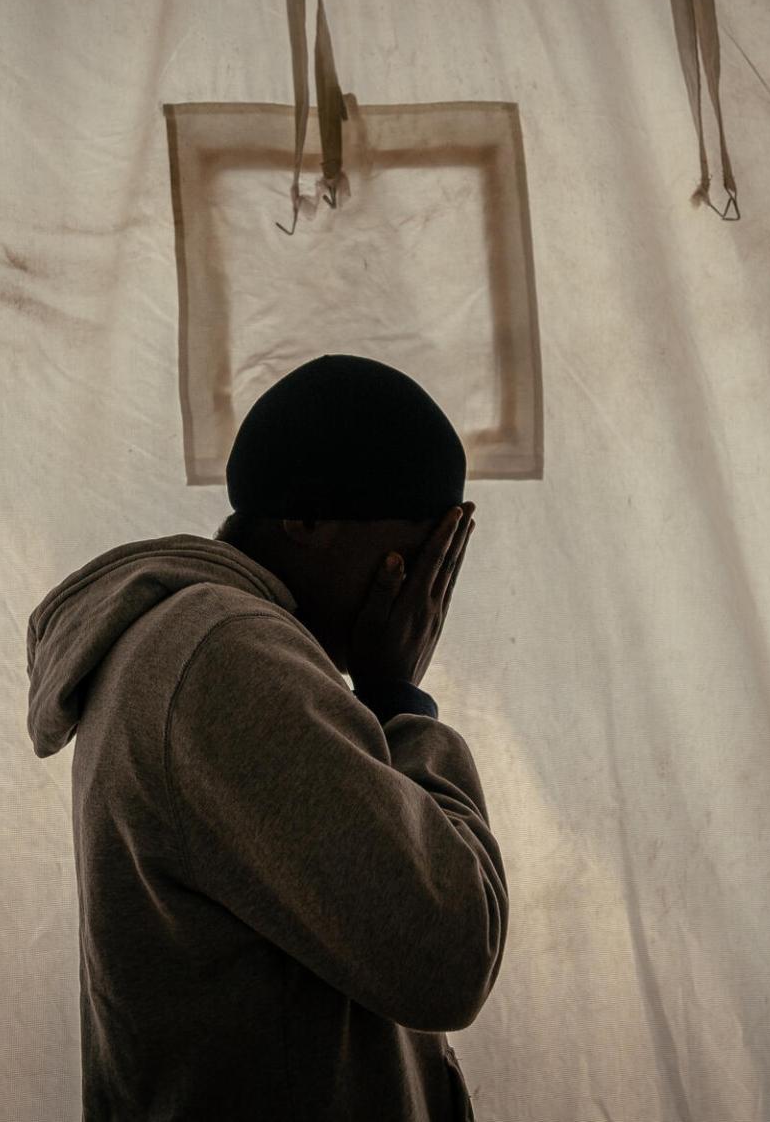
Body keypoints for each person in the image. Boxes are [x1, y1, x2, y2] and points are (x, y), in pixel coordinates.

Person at [26, 354, 508, 1121]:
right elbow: (449, 952)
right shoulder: (227, 656)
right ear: (306, 519)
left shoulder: (196, 642)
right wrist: (400, 699)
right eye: (414, 554)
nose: (422, 591)